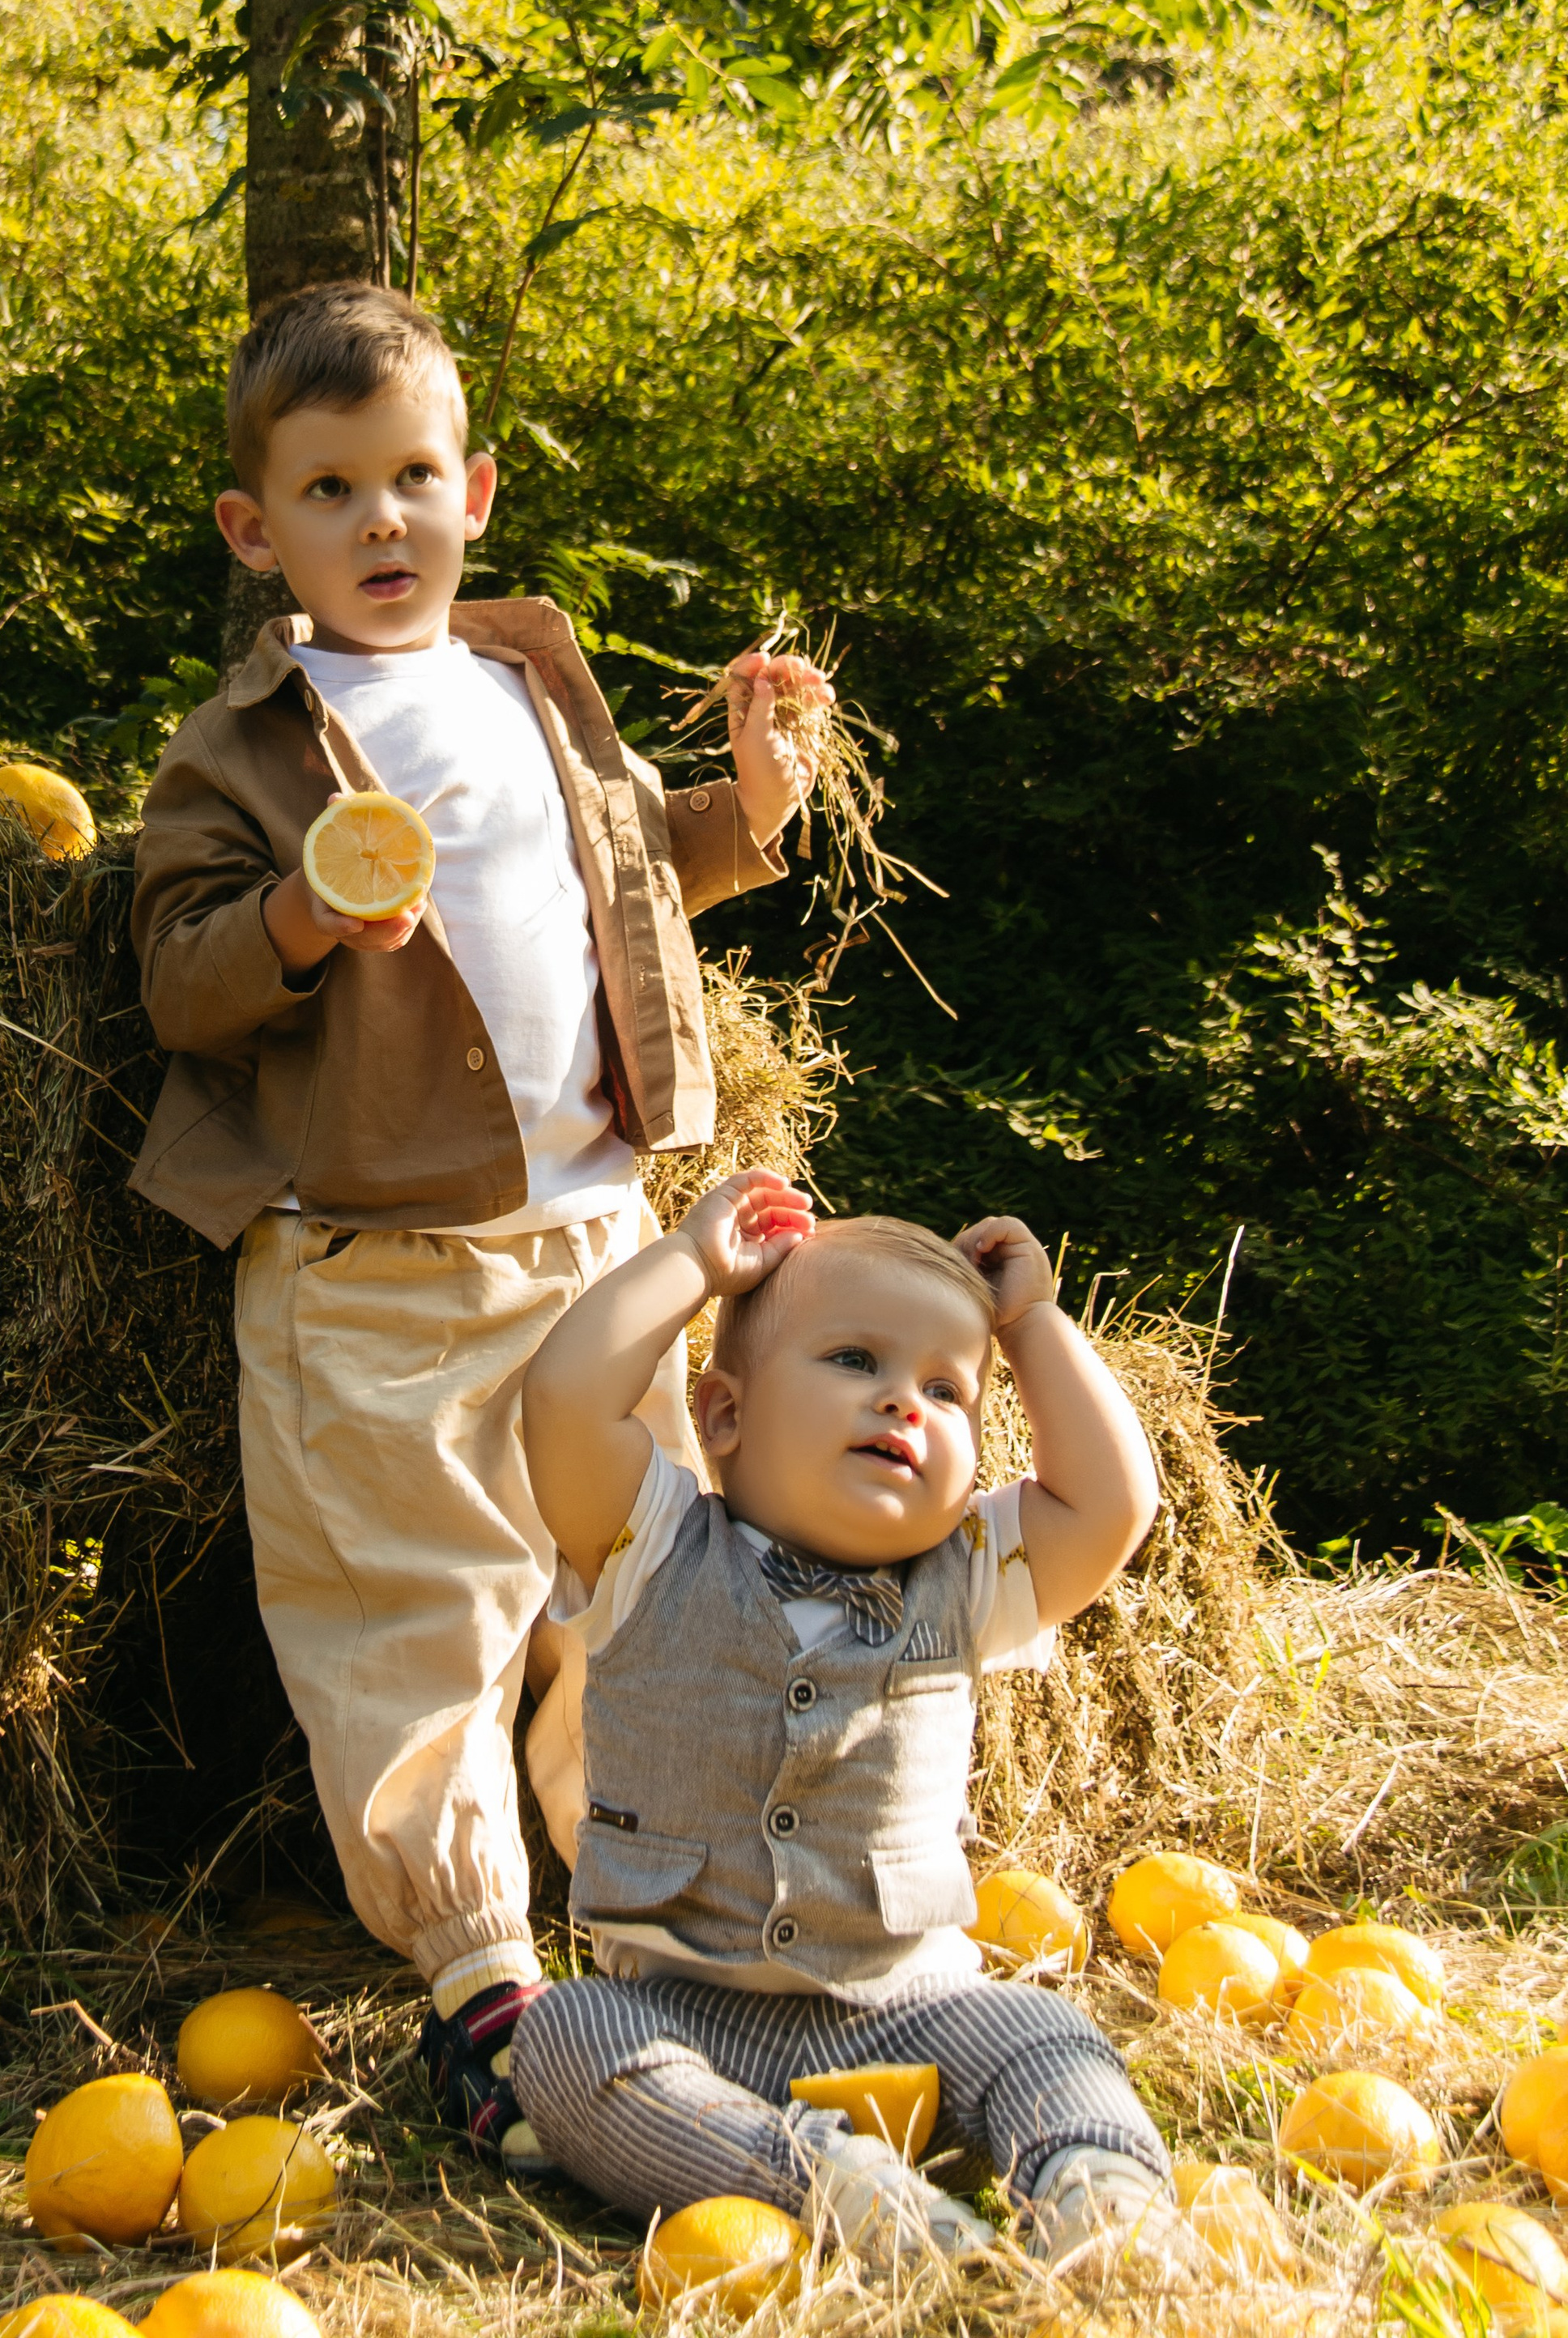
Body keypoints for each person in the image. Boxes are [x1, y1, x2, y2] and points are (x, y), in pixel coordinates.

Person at [129, 279, 829, 2165]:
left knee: (644, 1590)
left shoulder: (531, 688)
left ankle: (653, 1939)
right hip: (369, 1268)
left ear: (476, 490)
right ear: (252, 529)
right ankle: (481, 1990)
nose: (380, 521)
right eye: (330, 488)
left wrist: (745, 807)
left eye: (412, 476)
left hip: (599, 1240)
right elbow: (179, 978)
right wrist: (297, 923)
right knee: (412, 1619)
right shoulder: (244, 747)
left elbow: (628, 867)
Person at [513, 1176, 1199, 2281]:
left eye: (946, 1389)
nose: (904, 1403)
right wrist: (693, 1264)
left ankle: (1098, 2195)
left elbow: (1113, 1504)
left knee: (1045, 2037)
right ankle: (829, 2187)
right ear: (725, 1415)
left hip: (909, 2009)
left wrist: (1031, 1327)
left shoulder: (968, 1578)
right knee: (563, 2041)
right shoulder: (649, 1551)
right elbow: (563, 1400)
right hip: (689, 2020)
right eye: (855, 1362)